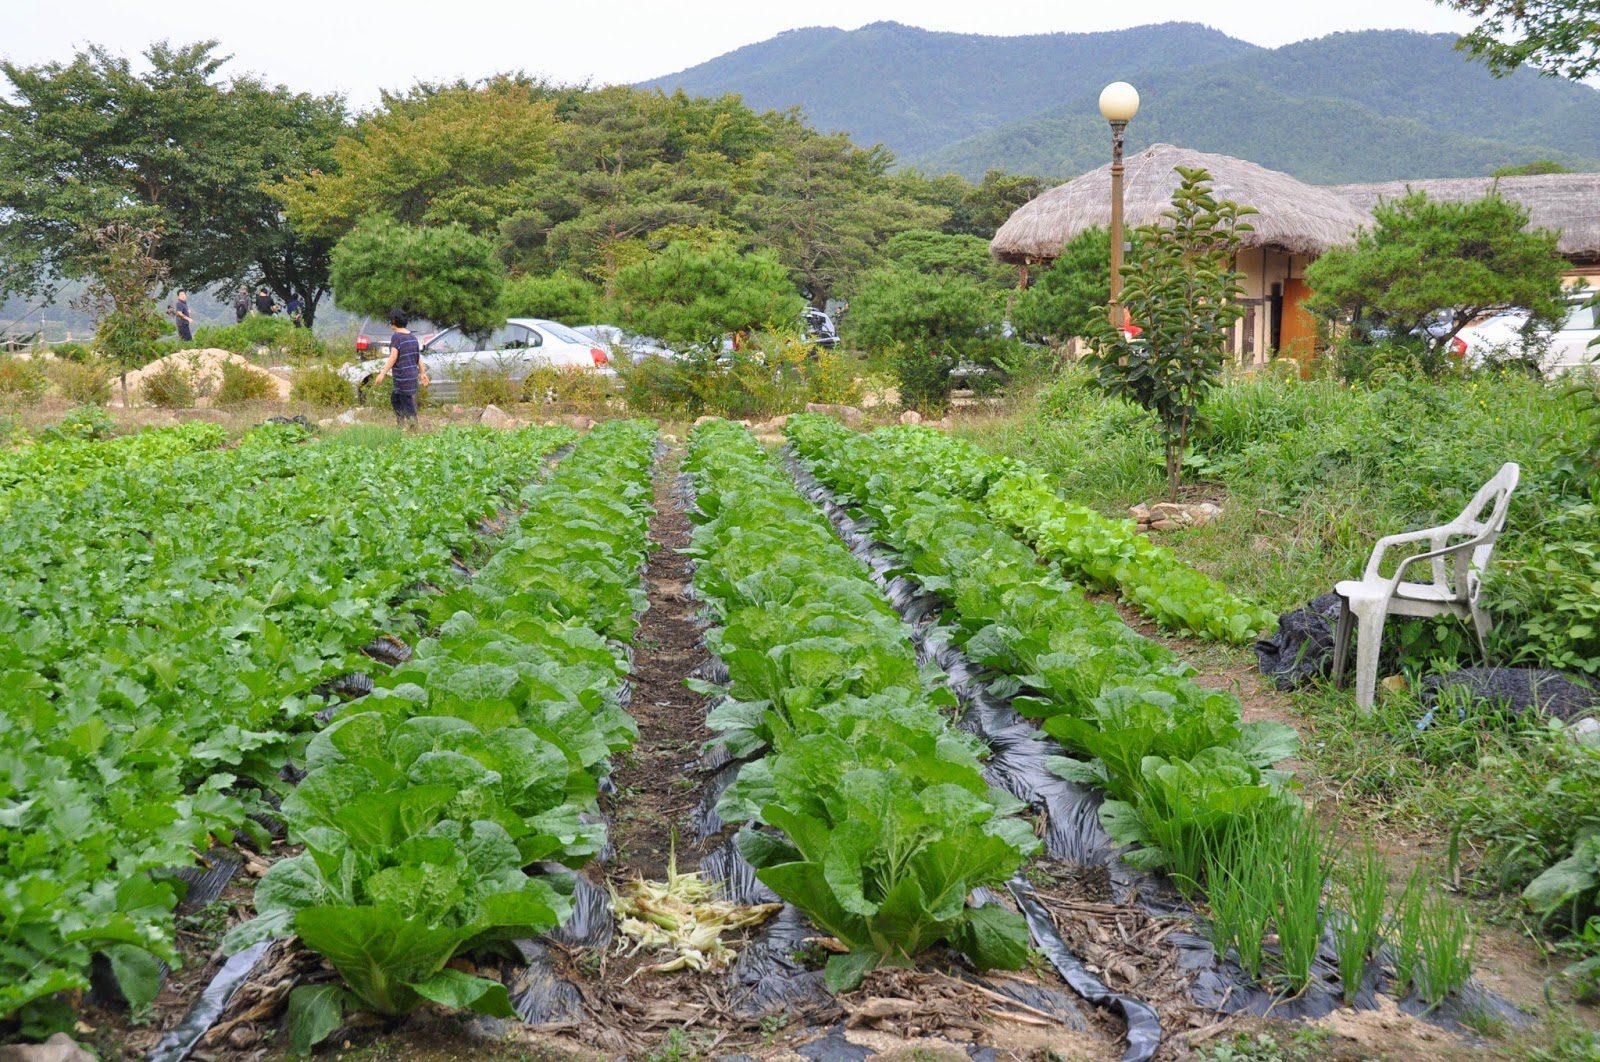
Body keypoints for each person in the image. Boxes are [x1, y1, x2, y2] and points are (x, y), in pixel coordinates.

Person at [373, 311, 428, 427]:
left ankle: (414, 428)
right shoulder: (412, 337)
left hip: (403, 377)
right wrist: (422, 373)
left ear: (394, 322)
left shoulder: (397, 337)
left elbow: (393, 357)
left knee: (407, 404)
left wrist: (382, 373)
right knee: (395, 399)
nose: (389, 324)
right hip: (411, 376)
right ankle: (401, 424)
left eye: (390, 321)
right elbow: (418, 357)